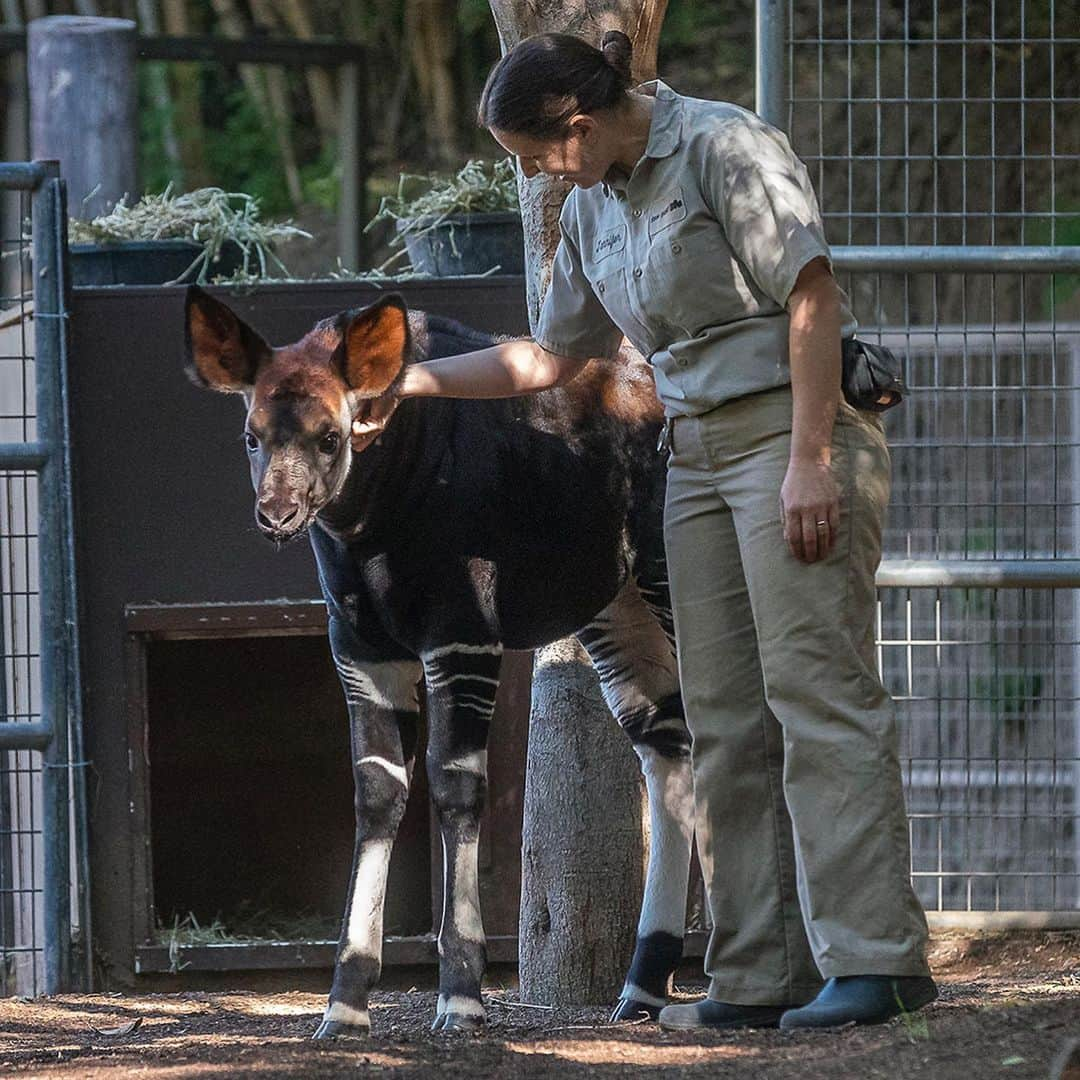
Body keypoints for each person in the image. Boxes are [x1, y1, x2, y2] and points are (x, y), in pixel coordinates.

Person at [351, 30, 937, 1031]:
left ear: (576, 126)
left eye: (535, 155)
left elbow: (810, 295)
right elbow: (550, 357)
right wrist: (406, 383)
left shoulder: (723, 149)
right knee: (721, 715)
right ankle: (758, 976)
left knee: (815, 689)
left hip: (786, 433)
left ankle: (880, 962)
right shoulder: (589, 207)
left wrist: (809, 460)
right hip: (695, 456)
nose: (535, 174)